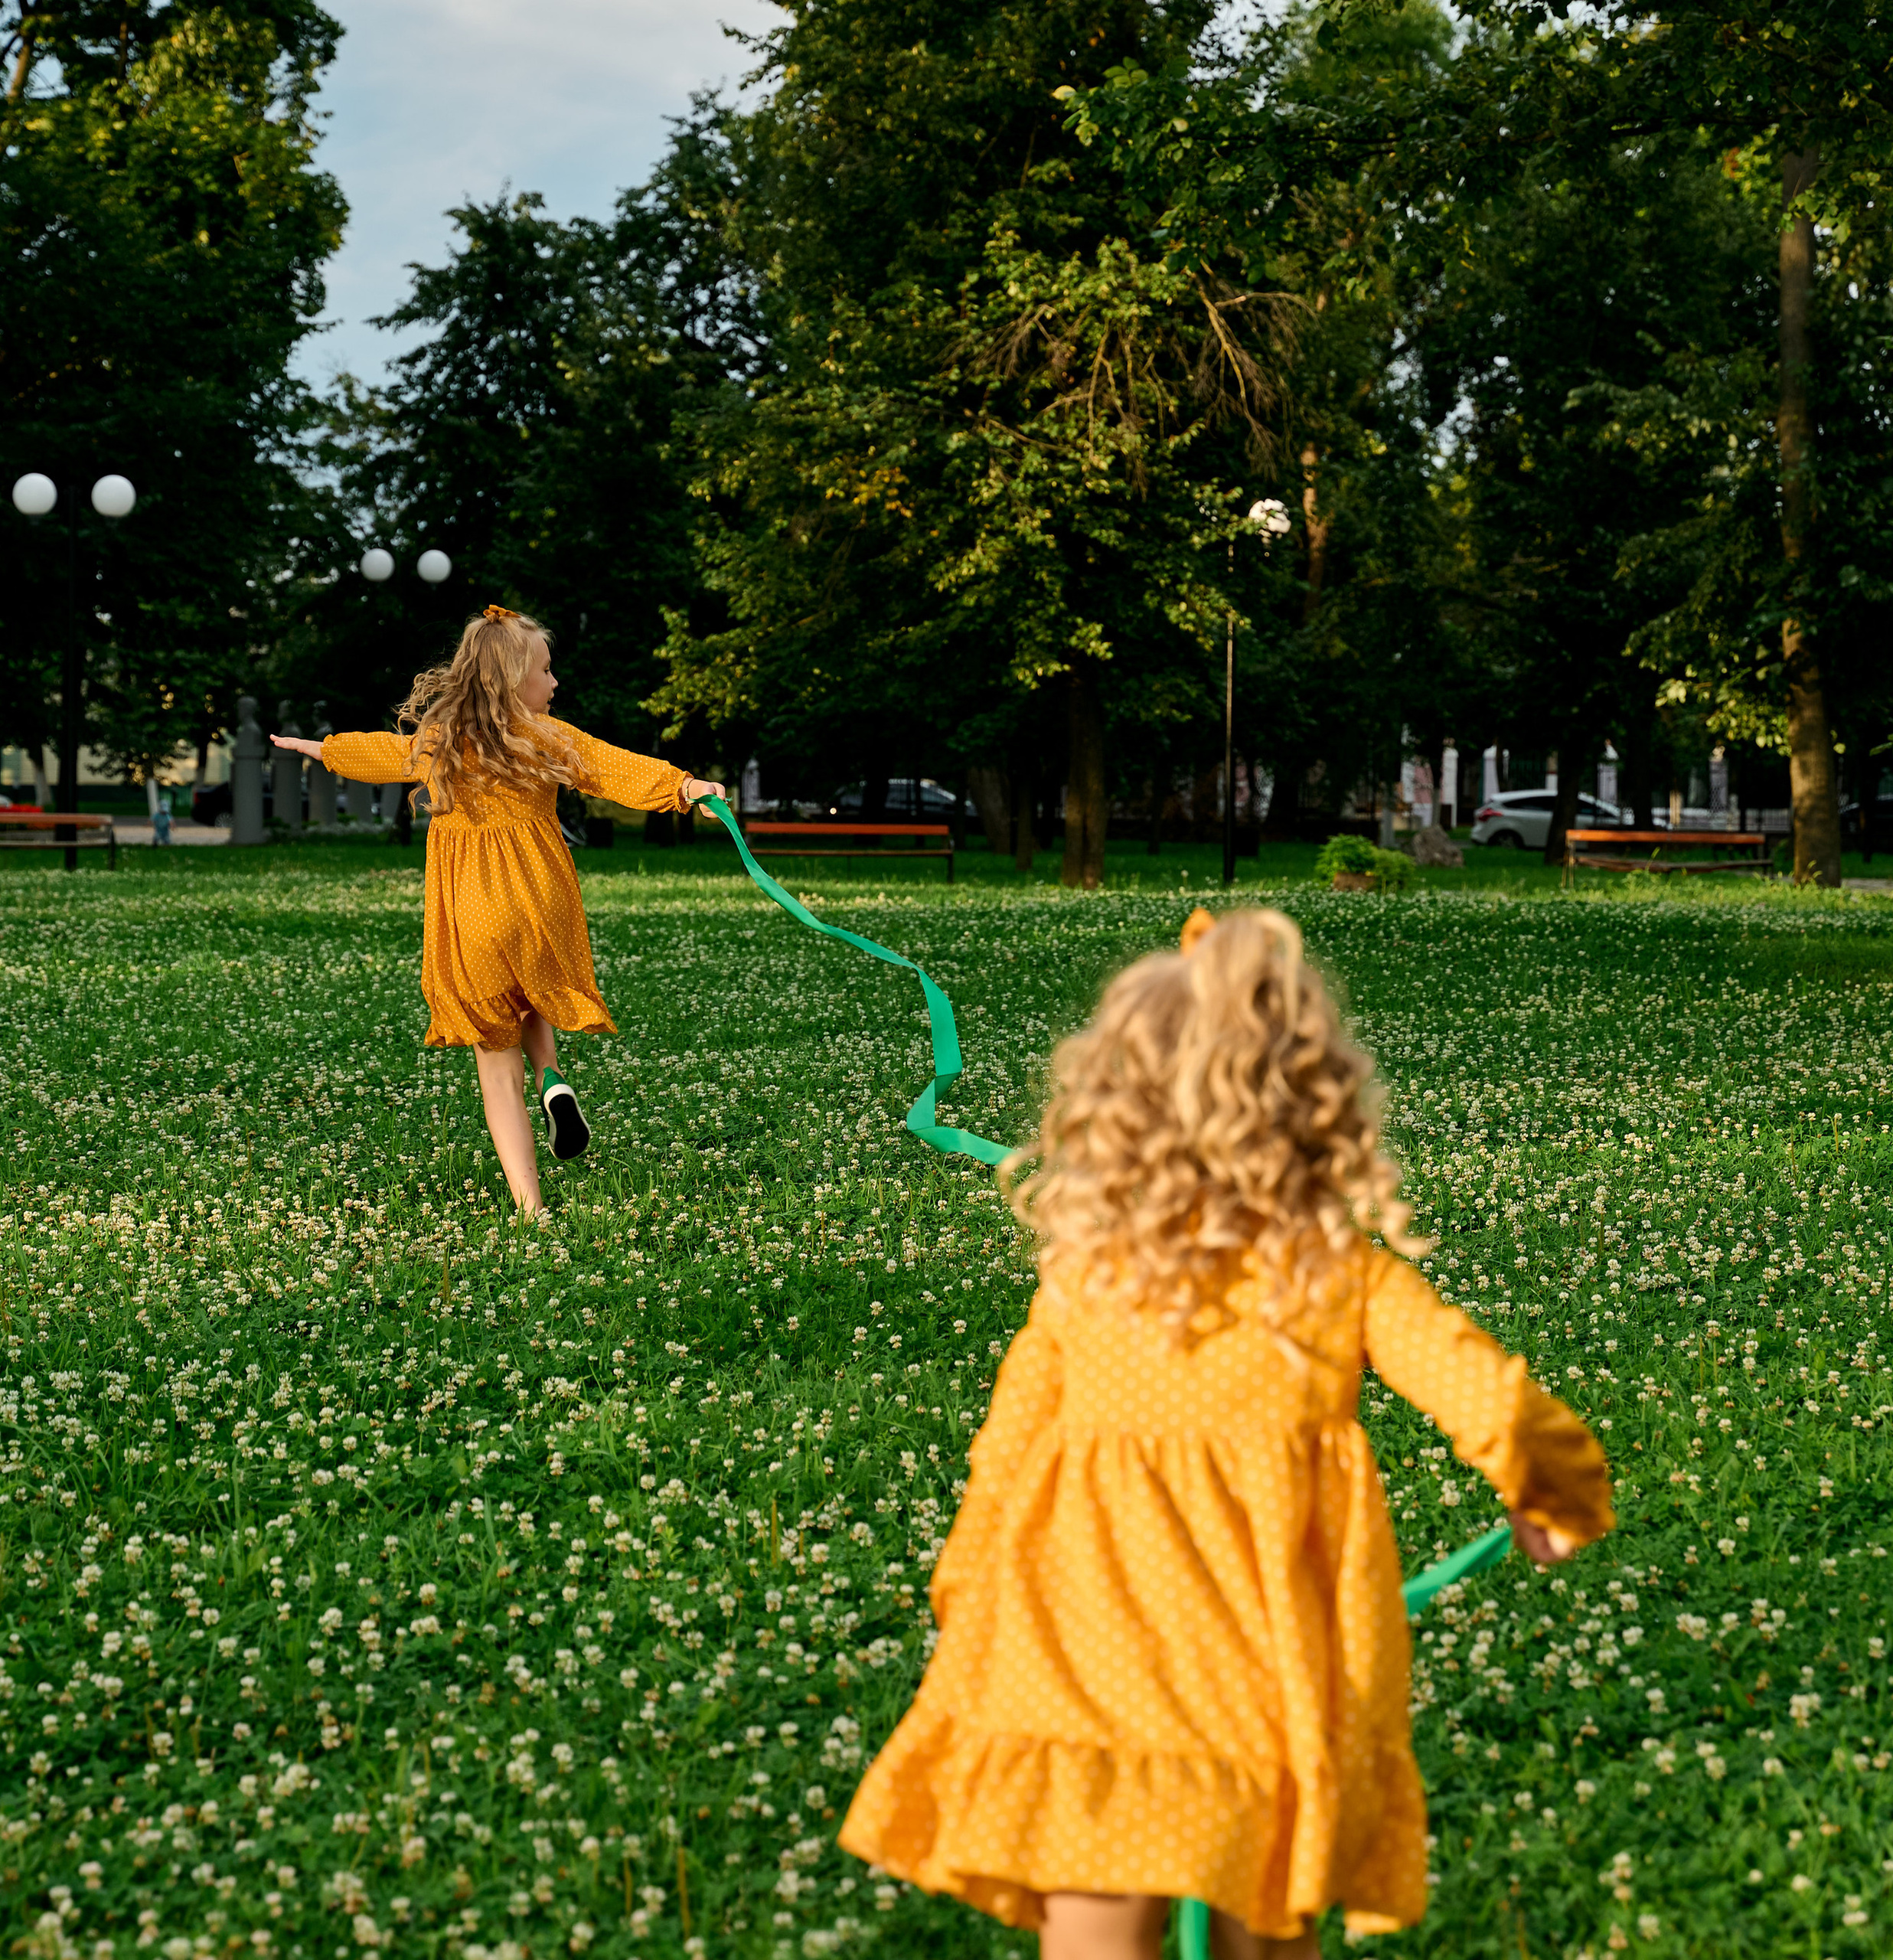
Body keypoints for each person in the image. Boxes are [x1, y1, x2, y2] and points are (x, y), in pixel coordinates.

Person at [839, 907, 1614, 1960]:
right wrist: (1555, 1498)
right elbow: (1494, 1400)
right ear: (1314, 1111)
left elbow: (1004, 1456)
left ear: (1111, 1109)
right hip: (1264, 1686)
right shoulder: (1342, 1277)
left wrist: (969, 1592)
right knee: (1264, 1923)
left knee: (1097, 1926)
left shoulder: (1085, 1281)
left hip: (1081, 1677)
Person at [271, 606, 724, 1217]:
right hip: (539, 898)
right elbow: (615, 768)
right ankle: (554, 1079)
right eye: (546, 669)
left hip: (472, 910)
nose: (555, 682)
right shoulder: (548, 737)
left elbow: (385, 753)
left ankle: (530, 1206)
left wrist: (319, 749)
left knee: (494, 1049)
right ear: (516, 681)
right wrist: (687, 788)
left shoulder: (439, 741)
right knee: (534, 987)